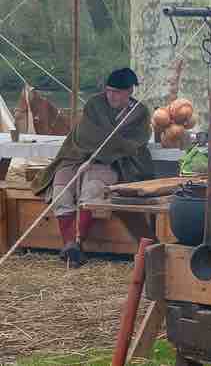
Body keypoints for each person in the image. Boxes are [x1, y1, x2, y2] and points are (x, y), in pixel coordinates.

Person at [32, 68, 153, 267]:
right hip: (76, 156)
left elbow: (135, 143)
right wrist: (102, 148)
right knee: (61, 190)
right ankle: (69, 243)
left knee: (92, 188)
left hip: (115, 163)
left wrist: (103, 153)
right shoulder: (95, 104)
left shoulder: (139, 112)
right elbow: (87, 135)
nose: (111, 96)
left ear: (130, 91)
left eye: (117, 92)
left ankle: (77, 244)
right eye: (109, 90)